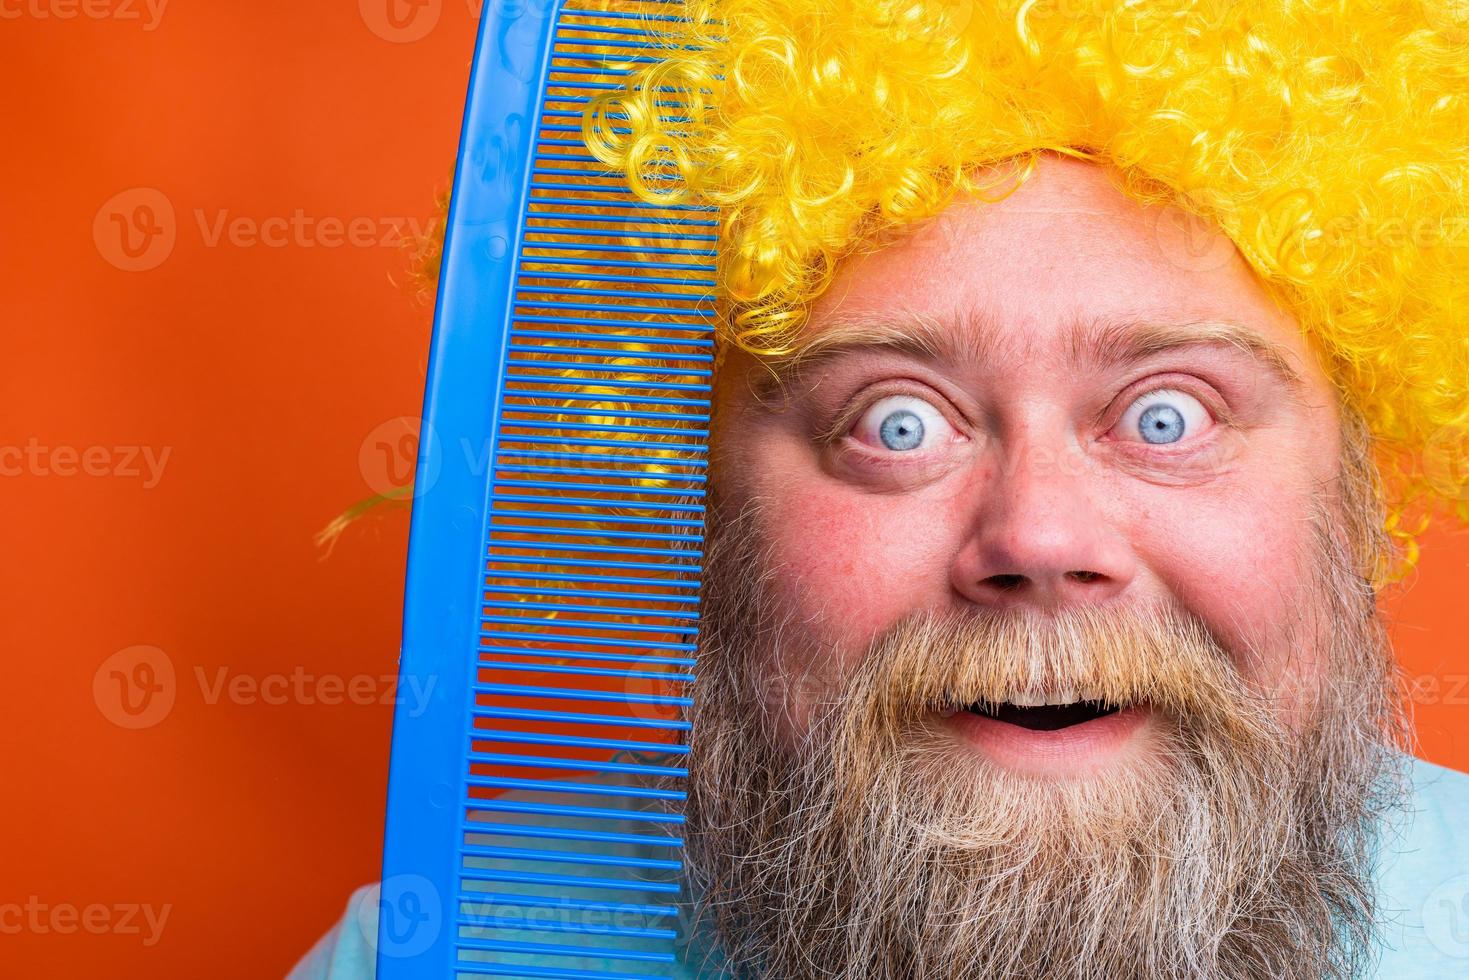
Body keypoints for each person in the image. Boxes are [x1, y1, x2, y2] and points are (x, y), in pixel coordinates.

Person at [294, 1, 1469, 976]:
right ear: (697, 502)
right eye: (894, 422)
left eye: (1167, 413)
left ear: (1351, 486)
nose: (1039, 535)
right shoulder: (429, 952)